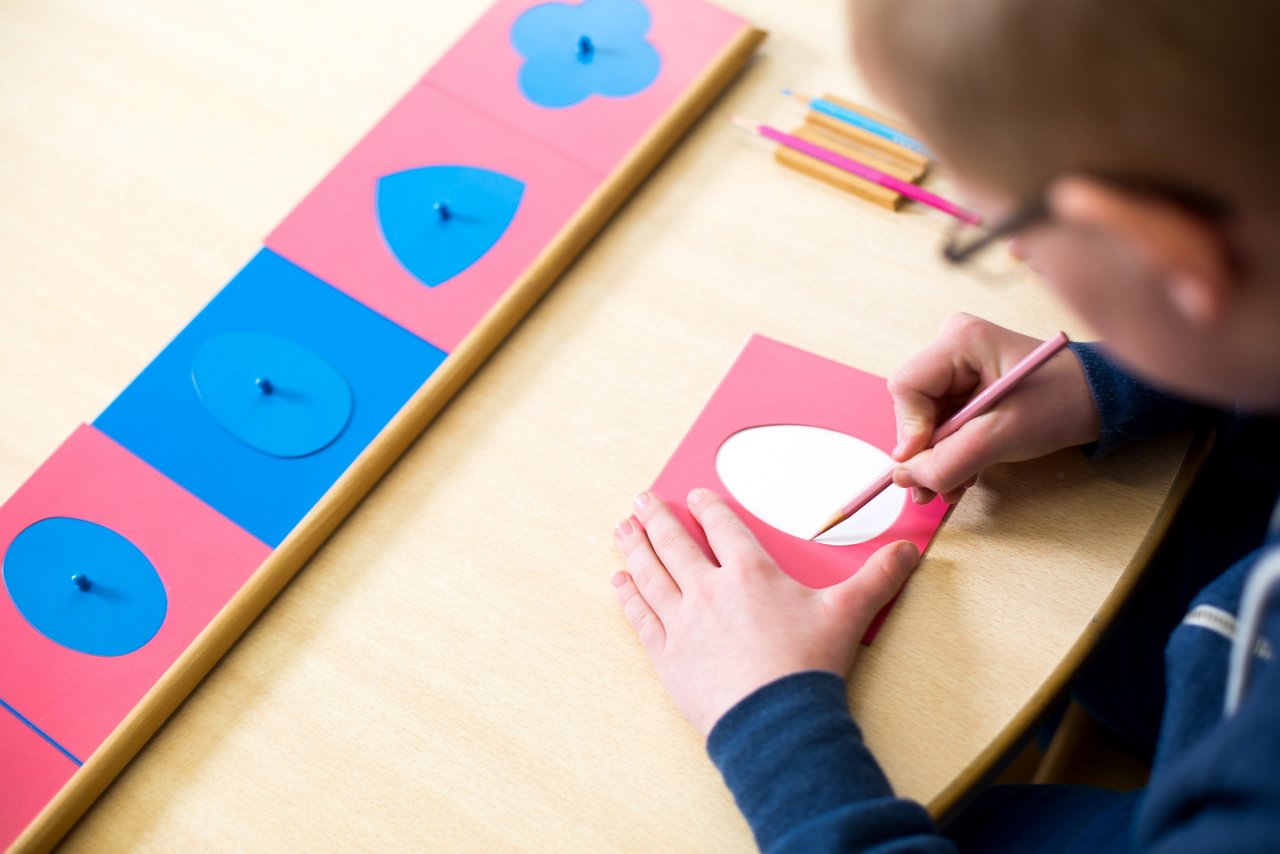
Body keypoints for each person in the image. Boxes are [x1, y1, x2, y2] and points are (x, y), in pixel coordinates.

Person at [609, 0, 1280, 849]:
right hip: (1228, 607)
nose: (1018, 259)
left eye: (1008, 232)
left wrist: (766, 714)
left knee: (967, 810)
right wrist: (1116, 381)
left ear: (1172, 257)